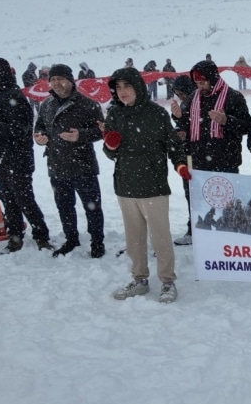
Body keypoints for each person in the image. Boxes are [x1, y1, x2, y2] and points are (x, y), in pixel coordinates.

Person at [102, 67, 190, 303]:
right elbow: (110, 153)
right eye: (118, 88)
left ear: (138, 87)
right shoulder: (114, 115)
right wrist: (110, 147)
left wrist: (180, 164)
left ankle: (167, 282)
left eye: (127, 86)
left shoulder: (156, 114)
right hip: (125, 185)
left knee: (160, 237)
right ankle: (140, 279)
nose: (122, 92)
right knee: (134, 239)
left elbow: (173, 145)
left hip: (153, 185)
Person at [0, 57, 53, 253]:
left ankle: (41, 235)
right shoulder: (0, 94)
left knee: (24, 199)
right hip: (2, 158)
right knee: (10, 200)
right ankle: (15, 236)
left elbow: (20, 129)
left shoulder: (13, 96)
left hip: (16, 159)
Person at [33, 63, 106, 258]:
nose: (56, 83)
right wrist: (39, 137)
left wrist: (80, 135)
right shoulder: (46, 104)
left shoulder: (88, 104)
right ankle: (71, 239)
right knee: (64, 206)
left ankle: (97, 242)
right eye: (53, 79)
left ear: (70, 81)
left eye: (60, 79)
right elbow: (39, 127)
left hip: (83, 165)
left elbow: (101, 131)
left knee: (92, 207)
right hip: (56, 165)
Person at [183, 60, 251, 174]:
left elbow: (247, 127)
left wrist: (227, 121)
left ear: (212, 79)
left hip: (226, 164)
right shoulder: (193, 98)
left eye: (203, 82)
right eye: (197, 83)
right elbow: (184, 123)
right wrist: (178, 118)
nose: (200, 87)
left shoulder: (234, 97)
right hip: (199, 164)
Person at [169, 75, 196, 245]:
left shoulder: (199, 102)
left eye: (182, 93)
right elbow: (183, 127)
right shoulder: (185, 104)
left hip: (203, 156)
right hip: (188, 155)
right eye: (177, 94)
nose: (180, 97)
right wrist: (179, 124)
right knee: (190, 194)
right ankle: (193, 228)